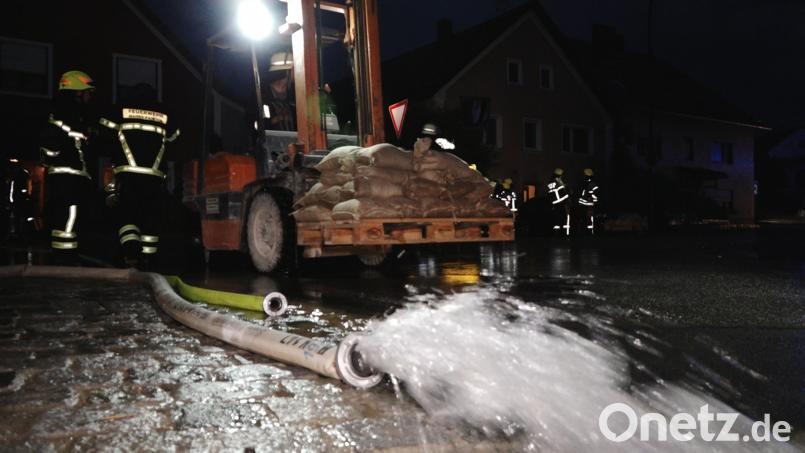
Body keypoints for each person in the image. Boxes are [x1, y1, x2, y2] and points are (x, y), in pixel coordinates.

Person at [99, 83, 179, 268]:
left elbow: (104, 128)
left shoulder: (121, 110)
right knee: (150, 218)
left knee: (128, 216)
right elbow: (174, 136)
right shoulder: (163, 114)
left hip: (128, 176)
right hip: (154, 177)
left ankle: (130, 253)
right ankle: (149, 260)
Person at [39, 70, 96, 264]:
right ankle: (65, 259)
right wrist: (55, 160)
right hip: (67, 176)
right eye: (87, 91)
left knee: (67, 218)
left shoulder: (76, 115)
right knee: (68, 217)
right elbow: (50, 143)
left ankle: (65, 257)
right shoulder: (66, 114)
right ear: (77, 92)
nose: (90, 96)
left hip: (71, 176)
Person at [264, 51, 296, 131]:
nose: (300, 72)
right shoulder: (262, 95)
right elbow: (258, 125)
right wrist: (278, 118)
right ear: (286, 72)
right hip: (272, 142)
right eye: (294, 69)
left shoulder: (296, 93)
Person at [547, 168, 570, 236]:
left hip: (554, 204)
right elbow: (563, 193)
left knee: (556, 219)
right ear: (560, 175)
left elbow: (551, 193)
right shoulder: (558, 182)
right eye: (562, 175)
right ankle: (563, 233)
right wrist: (568, 194)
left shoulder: (551, 182)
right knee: (563, 218)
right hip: (561, 203)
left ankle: (556, 233)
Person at [577, 168, 599, 234]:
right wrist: (595, 202)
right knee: (588, 219)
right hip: (588, 205)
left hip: (584, 204)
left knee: (586, 219)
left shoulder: (586, 184)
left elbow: (594, 194)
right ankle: (589, 232)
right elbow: (595, 195)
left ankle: (587, 231)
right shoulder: (592, 184)